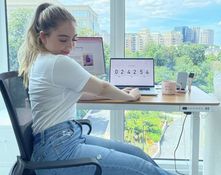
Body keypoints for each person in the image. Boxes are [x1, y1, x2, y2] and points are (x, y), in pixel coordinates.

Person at [18, 3, 173, 175]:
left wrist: (119, 95)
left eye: (73, 39)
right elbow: (102, 87)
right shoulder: (57, 61)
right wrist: (129, 96)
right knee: (145, 170)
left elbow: (78, 94)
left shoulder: (42, 60)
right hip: (59, 150)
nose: (69, 46)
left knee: (138, 154)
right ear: (43, 37)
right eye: (63, 39)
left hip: (59, 142)